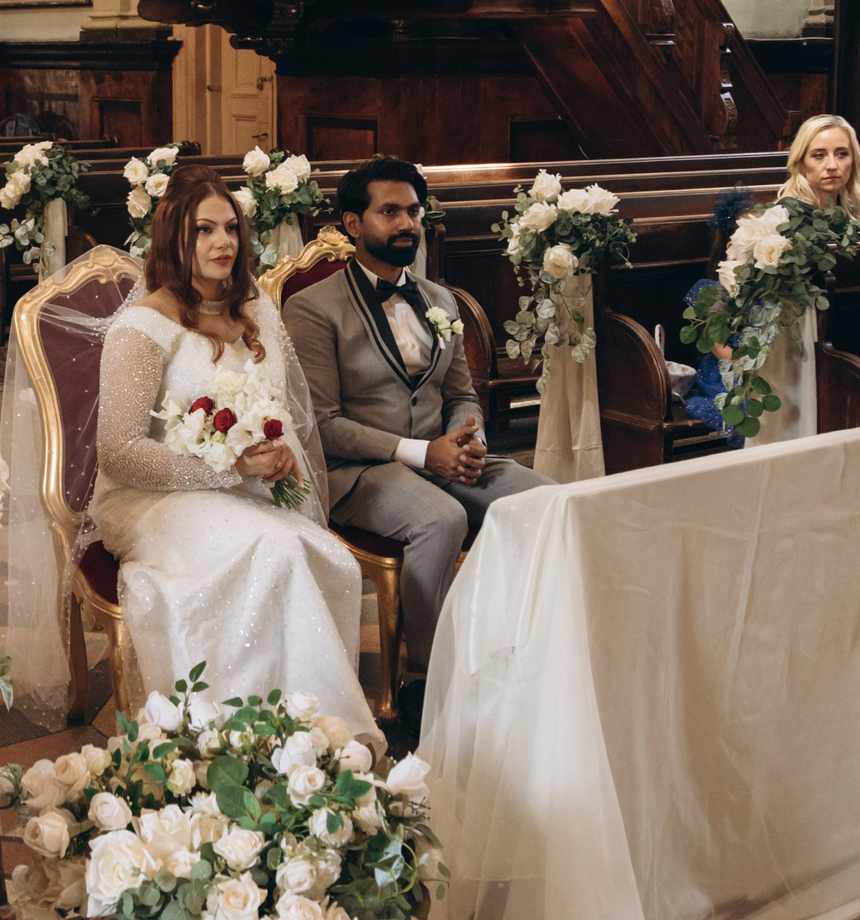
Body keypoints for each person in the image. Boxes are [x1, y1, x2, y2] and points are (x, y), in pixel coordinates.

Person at [87, 168, 378, 741]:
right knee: (274, 550)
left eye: (230, 228)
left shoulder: (258, 312)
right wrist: (222, 468)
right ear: (175, 237)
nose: (223, 242)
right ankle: (238, 734)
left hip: (249, 489)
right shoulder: (144, 326)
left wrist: (276, 455)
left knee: (327, 555)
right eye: (204, 230)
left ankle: (307, 728)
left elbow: (279, 411)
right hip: (156, 498)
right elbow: (117, 452)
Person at [282, 156, 547, 714]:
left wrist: (464, 439)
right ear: (354, 224)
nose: (407, 222)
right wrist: (424, 453)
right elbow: (323, 424)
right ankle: (429, 677)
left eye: (414, 210)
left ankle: (518, 644)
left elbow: (462, 394)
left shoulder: (441, 300)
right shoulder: (311, 308)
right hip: (360, 471)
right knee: (441, 518)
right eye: (391, 211)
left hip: (446, 454)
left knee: (544, 500)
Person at [678, 187, 758, 441]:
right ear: (732, 245)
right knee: (744, 409)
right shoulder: (713, 291)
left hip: (759, 366)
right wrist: (751, 372)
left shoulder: (764, 289)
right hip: (728, 374)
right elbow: (719, 348)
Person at [775, 112, 860, 233]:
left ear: (854, 160)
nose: (832, 166)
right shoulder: (787, 214)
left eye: (842, 154)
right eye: (819, 156)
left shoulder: (858, 207)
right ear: (800, 162)